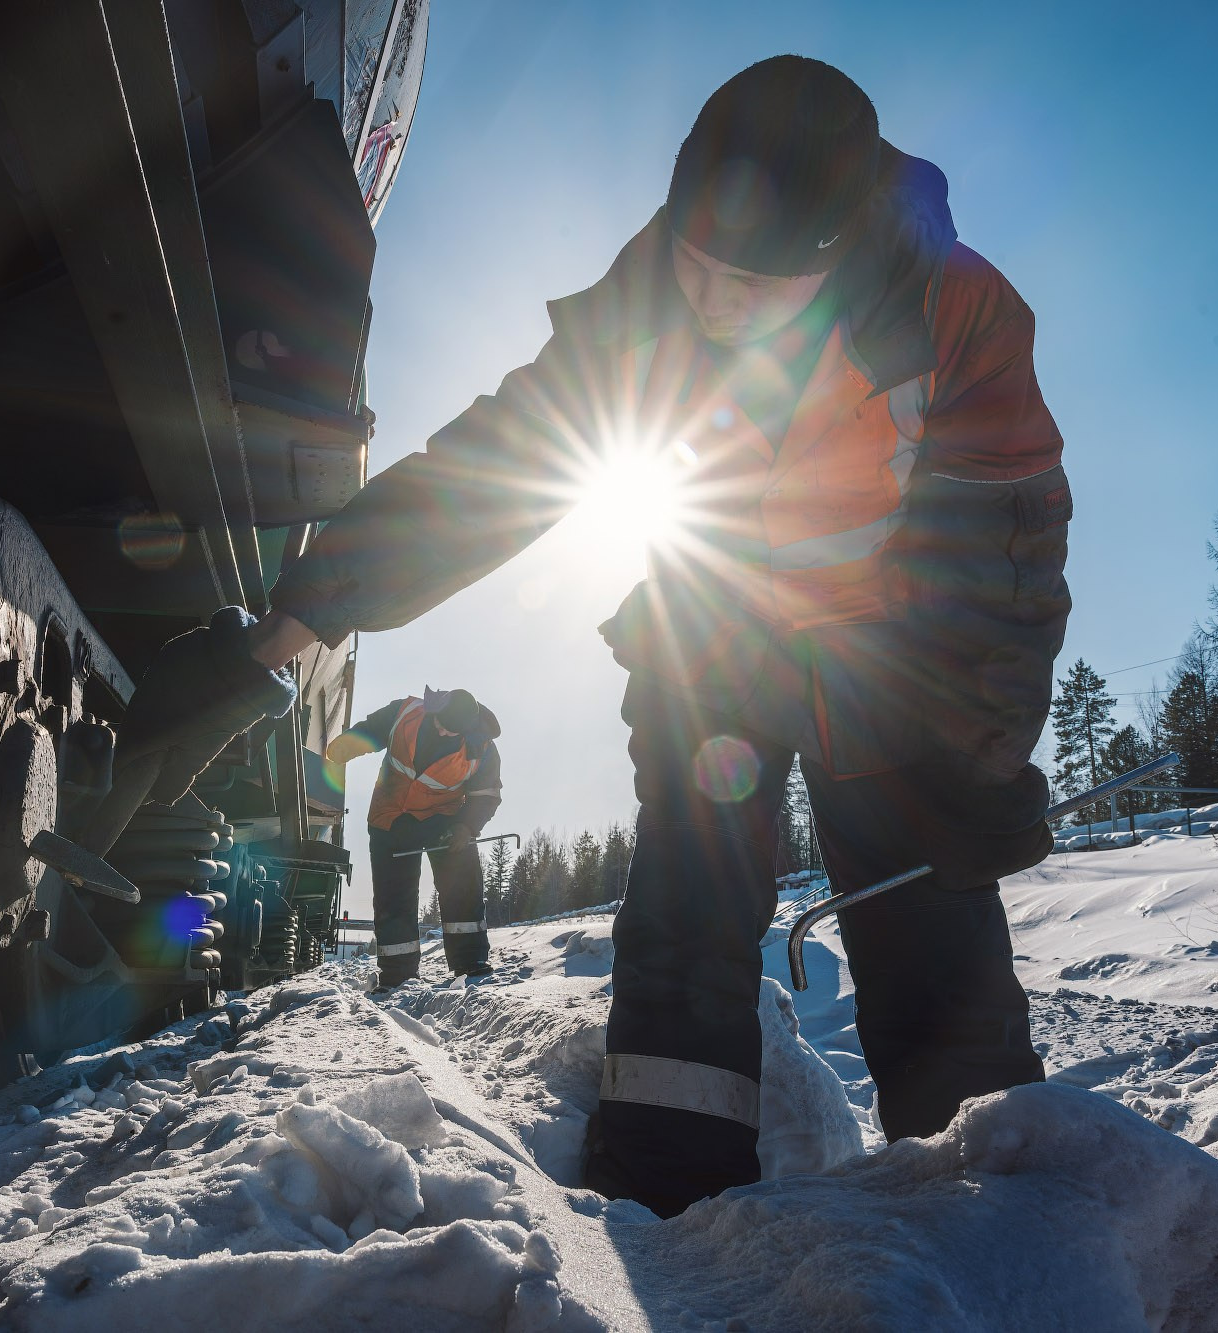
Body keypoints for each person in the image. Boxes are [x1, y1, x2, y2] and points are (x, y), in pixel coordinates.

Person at [137, 55, 1071, 1218]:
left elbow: (1009, 556)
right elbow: (490, 472)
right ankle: (668, 1202)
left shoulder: (959, 315)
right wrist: (293, 617)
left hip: (887, 650)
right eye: (697, 261)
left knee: (924, 918)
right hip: (713, 630)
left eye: (752, 284)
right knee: (685, 903)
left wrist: (978, 753)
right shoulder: (648, 302)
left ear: (832, 268)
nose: (714, 300)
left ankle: (995, 1219)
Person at [326, 688, 503, 986]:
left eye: (451, 730)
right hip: (391, 817)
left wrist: (466, 828)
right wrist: (347, 745)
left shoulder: (483, 750)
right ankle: (397, 973)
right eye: (440, 722)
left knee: (462, 883)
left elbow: (485, 795)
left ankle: (471, 963)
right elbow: (372, 729)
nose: (442, 730)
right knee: (393, 895)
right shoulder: (407, 713)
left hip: (444, 820)